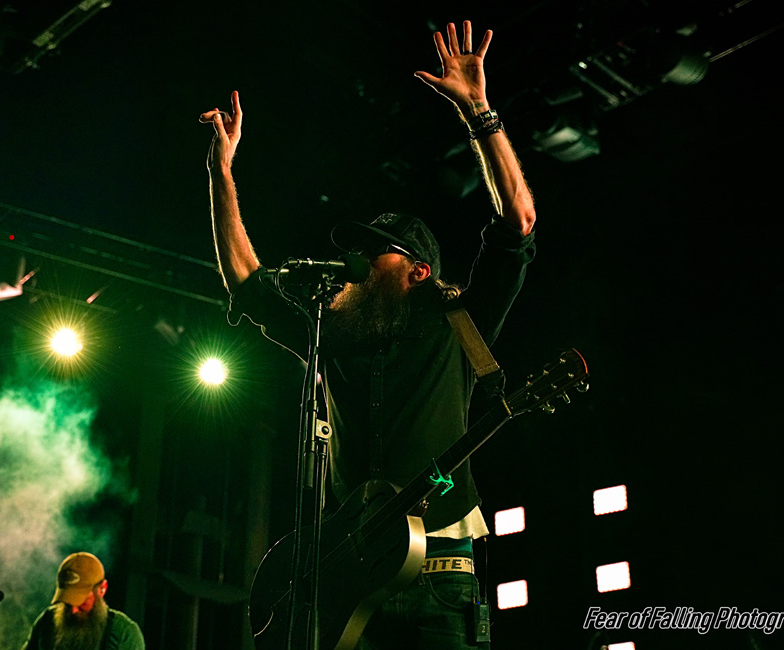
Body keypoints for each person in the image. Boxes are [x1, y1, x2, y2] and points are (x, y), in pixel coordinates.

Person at [200, 20, 536, 650]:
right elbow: (246, 281)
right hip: (351, 580)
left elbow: (516, 221)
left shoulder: (456, 321)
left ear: (417, 269)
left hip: (440, 576)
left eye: (373, 251)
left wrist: (479, 111)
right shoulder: (336, 330)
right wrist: (222, 173)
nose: (356, 263)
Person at [21, 552, 145, 650]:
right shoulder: (47, 621)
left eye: (81, 602)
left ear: (102, 589)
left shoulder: (124, 634)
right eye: (67, 602)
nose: (73, 610)